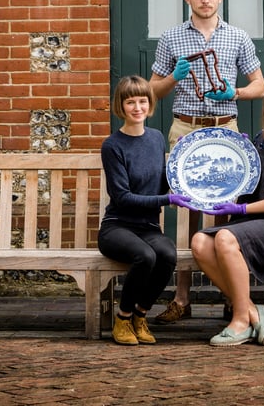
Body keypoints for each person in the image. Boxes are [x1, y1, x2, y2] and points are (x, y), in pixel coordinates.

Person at [149, 0, 264, 325]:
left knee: (225, 214)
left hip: (225, 129)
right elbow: (152, 89)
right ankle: (182, 299)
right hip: (185, 129)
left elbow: (260, 85)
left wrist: (237, 92)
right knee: (186, 214)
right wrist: (174, 77)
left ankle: (232, 299)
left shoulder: (238, 37)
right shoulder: (171, 38)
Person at [175, 71, 264, 346]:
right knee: (199, 243)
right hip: (257, 222)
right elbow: (241, 182)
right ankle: (253, 310)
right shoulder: (258, 140)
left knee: (225, 238)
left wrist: (241, 211)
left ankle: (241, 320)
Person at [98, 75, 190, 345]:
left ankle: (140, 315)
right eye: (130, 102)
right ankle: (123, 318)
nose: (137, 107)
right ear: (121, 106)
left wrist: (186, 159)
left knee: (166, 254)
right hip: (118, 226)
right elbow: (122, 197)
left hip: (148, 227)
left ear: (150, 104)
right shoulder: (112, 145)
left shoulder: (157, 138)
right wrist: (168, 201)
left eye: (142, 101)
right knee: (146, 256)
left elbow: (164, 182)